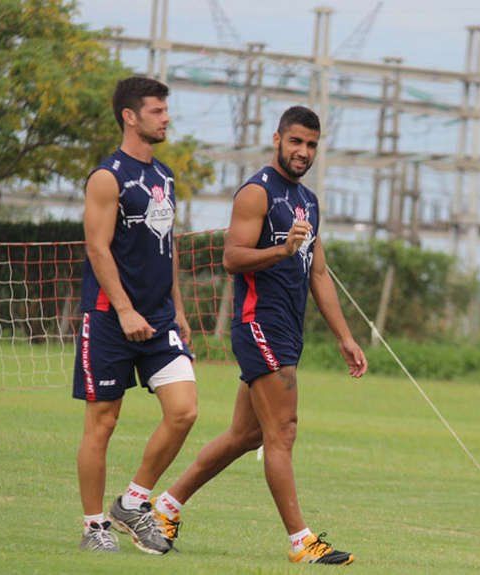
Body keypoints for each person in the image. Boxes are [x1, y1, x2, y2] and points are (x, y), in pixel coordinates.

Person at [150, 106, 368, 565]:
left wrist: (345, 337)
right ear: (277, 139)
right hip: (258, 324)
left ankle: (166, 507)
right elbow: (232, 258)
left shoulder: (308, 201)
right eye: (296, 142)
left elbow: (320, 273)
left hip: (287, 329)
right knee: (282, 432)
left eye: (311, 144)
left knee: (245, 435)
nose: (303, 152)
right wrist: (282, 248)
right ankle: (301, 541)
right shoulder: (256, 193)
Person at [74, 76, 197, 554]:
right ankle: (93, 526)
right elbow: (97, 249)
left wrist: (179, 309)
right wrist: (124, 310)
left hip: (160, 319)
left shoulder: (164, 177)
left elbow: (167, 249)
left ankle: (132, 501)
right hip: (110, 318)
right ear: (130, 116)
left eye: (166, 110)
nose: (166, 118)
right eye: (157, 111)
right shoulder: (108, 177)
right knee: (102, 423)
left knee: (184, 411)